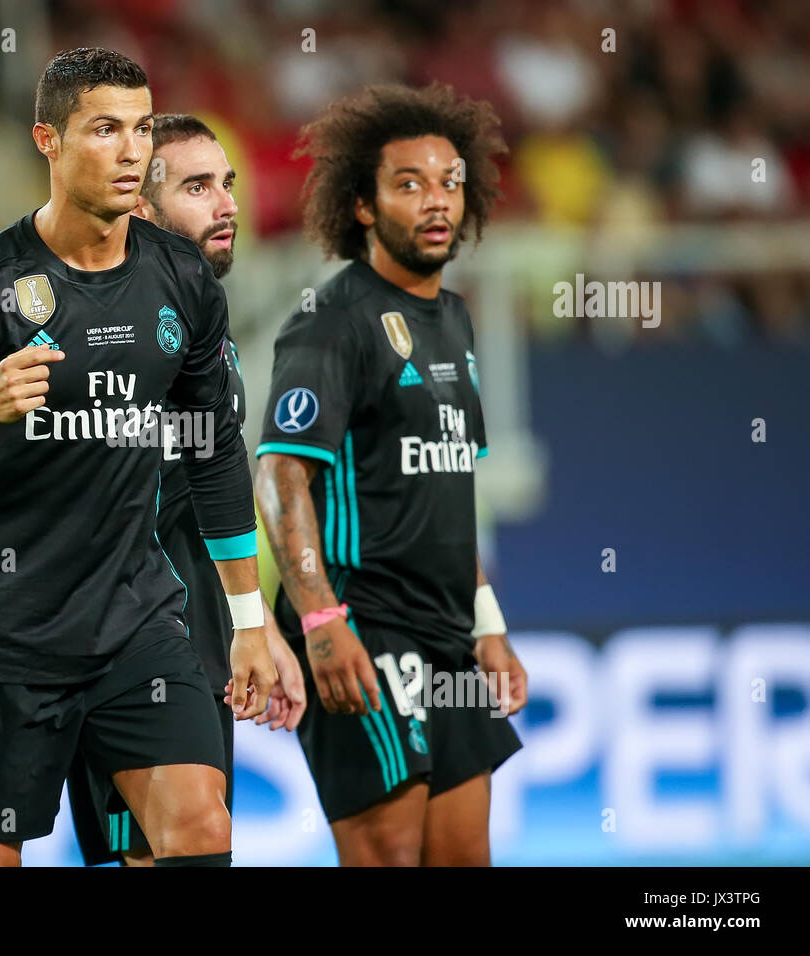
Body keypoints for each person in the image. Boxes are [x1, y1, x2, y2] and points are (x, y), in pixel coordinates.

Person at [0, 49, 277, 868]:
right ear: (48, 142)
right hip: (8, 629)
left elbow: (215, 456)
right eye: (105, 129)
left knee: (200, 825)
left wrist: (248, 623)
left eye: (140, 129)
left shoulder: (183, 281)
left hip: (138, 620)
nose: (132, 150)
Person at [254, 83, 528, 866]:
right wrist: (317, 621)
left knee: (464, 856)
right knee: (387, 854)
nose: (436, 201)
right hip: (363, 625)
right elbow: (280, 475)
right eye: (408, 184)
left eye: (449, 182)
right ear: (364, 206)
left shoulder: (457, 318)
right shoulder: (332, 320)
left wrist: (488, 625)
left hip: (449, 638)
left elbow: (450, 492)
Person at [66, 114, 306, 866]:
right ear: (141, 206)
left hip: (201, 635)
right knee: (195, 838)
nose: (227, 203)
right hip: (121, 642)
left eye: (228, 183)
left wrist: (254, 621)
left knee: (185, 847)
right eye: (199, 187)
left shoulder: (205, 331)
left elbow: (204, 492)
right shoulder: (102, 326)